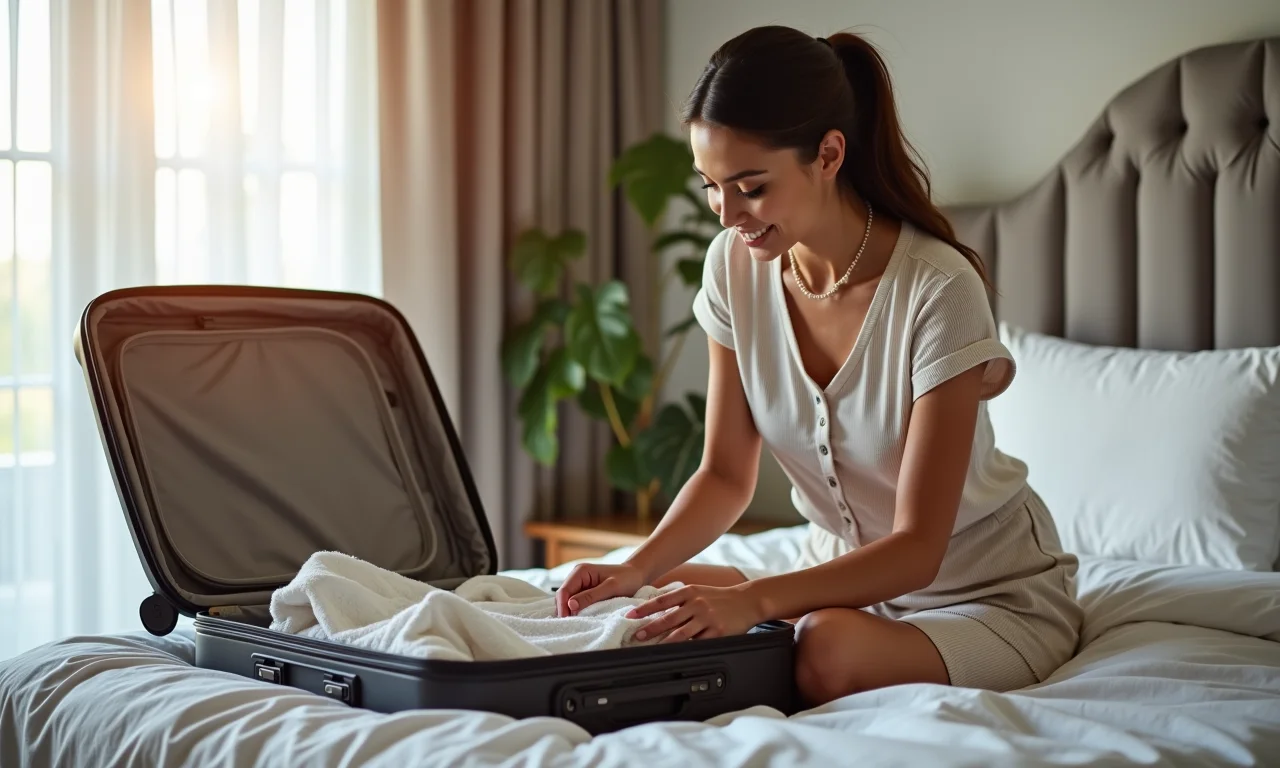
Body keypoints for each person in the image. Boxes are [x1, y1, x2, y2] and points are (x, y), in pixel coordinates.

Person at [554, 25, 1083, 706]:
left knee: (826, 647)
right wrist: (635, 567)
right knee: (646, 602)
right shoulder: (733, 270)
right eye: (712, 187)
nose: (727, 216)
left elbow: (918, 546)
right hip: (835, 580)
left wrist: (755, 601)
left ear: (828, 154)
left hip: (986, 596)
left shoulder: (937, 289)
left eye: (750, 186)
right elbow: (722, 475)